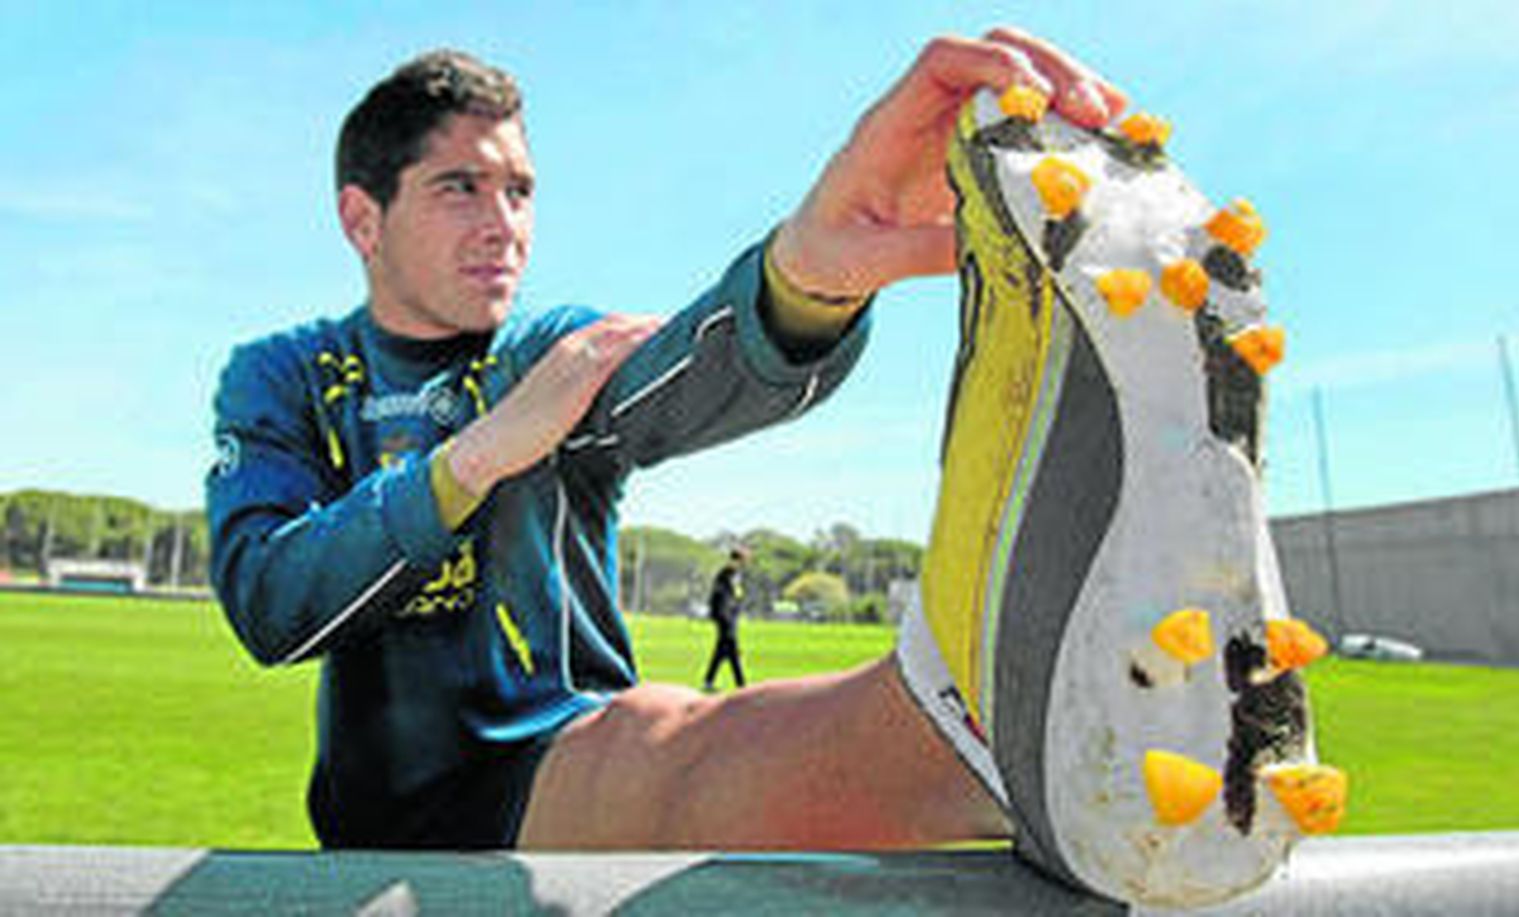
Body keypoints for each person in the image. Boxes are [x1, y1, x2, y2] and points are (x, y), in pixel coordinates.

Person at [207, 25, 1330, 906]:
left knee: (662, 733)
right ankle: (1002, 727)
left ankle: (1002, 729)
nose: (503, 220)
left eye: (521, 189)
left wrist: (807, 275)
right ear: (363, 216)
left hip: (574, 762)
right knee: (649, 741)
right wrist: (476, 458)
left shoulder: (546, 347)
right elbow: (270, 599)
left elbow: (673, 372)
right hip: (381, 819)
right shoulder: (283, 374)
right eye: (460, 186)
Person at [701, 547, 749, 691]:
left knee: (722, 650)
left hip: (730, 616)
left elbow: (736, 596)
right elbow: (720, 598)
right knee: (732, 649)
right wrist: (724, 617)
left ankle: (709, 681)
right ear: (738, 559)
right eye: (743, 560)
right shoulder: (726, 574)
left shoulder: (734, 574)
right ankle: (741, 685)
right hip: (725, 617)